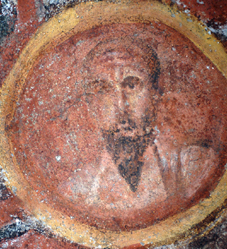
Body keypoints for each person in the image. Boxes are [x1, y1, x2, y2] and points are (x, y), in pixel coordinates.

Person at [60, 37, 218, 229]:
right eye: (103, 89)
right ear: (90, 103)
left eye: (132, 85)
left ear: (156, 92)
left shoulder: (192, 164)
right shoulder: (76, 190)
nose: (121, 105)